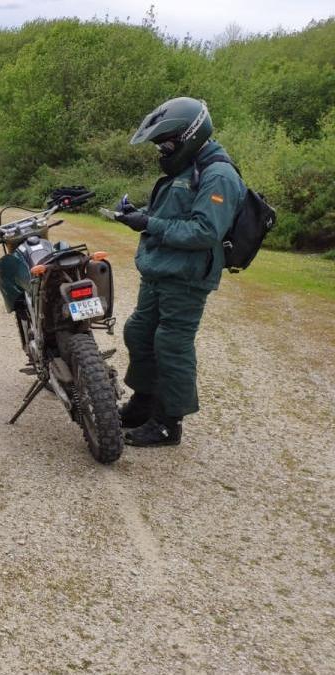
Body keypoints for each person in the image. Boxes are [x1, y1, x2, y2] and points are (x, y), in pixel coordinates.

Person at [114, 97, 243, 447]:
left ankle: (169, 423)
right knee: (139, 332)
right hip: (159, 271)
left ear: (189, 135)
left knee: (171, 344)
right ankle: (143, 403)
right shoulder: (186, 170)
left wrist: (149, 223)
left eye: (166, 144)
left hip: (186, 277)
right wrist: (136, 214)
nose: (162, 150)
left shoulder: (218, 175)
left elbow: (204, 231)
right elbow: (173, 212)